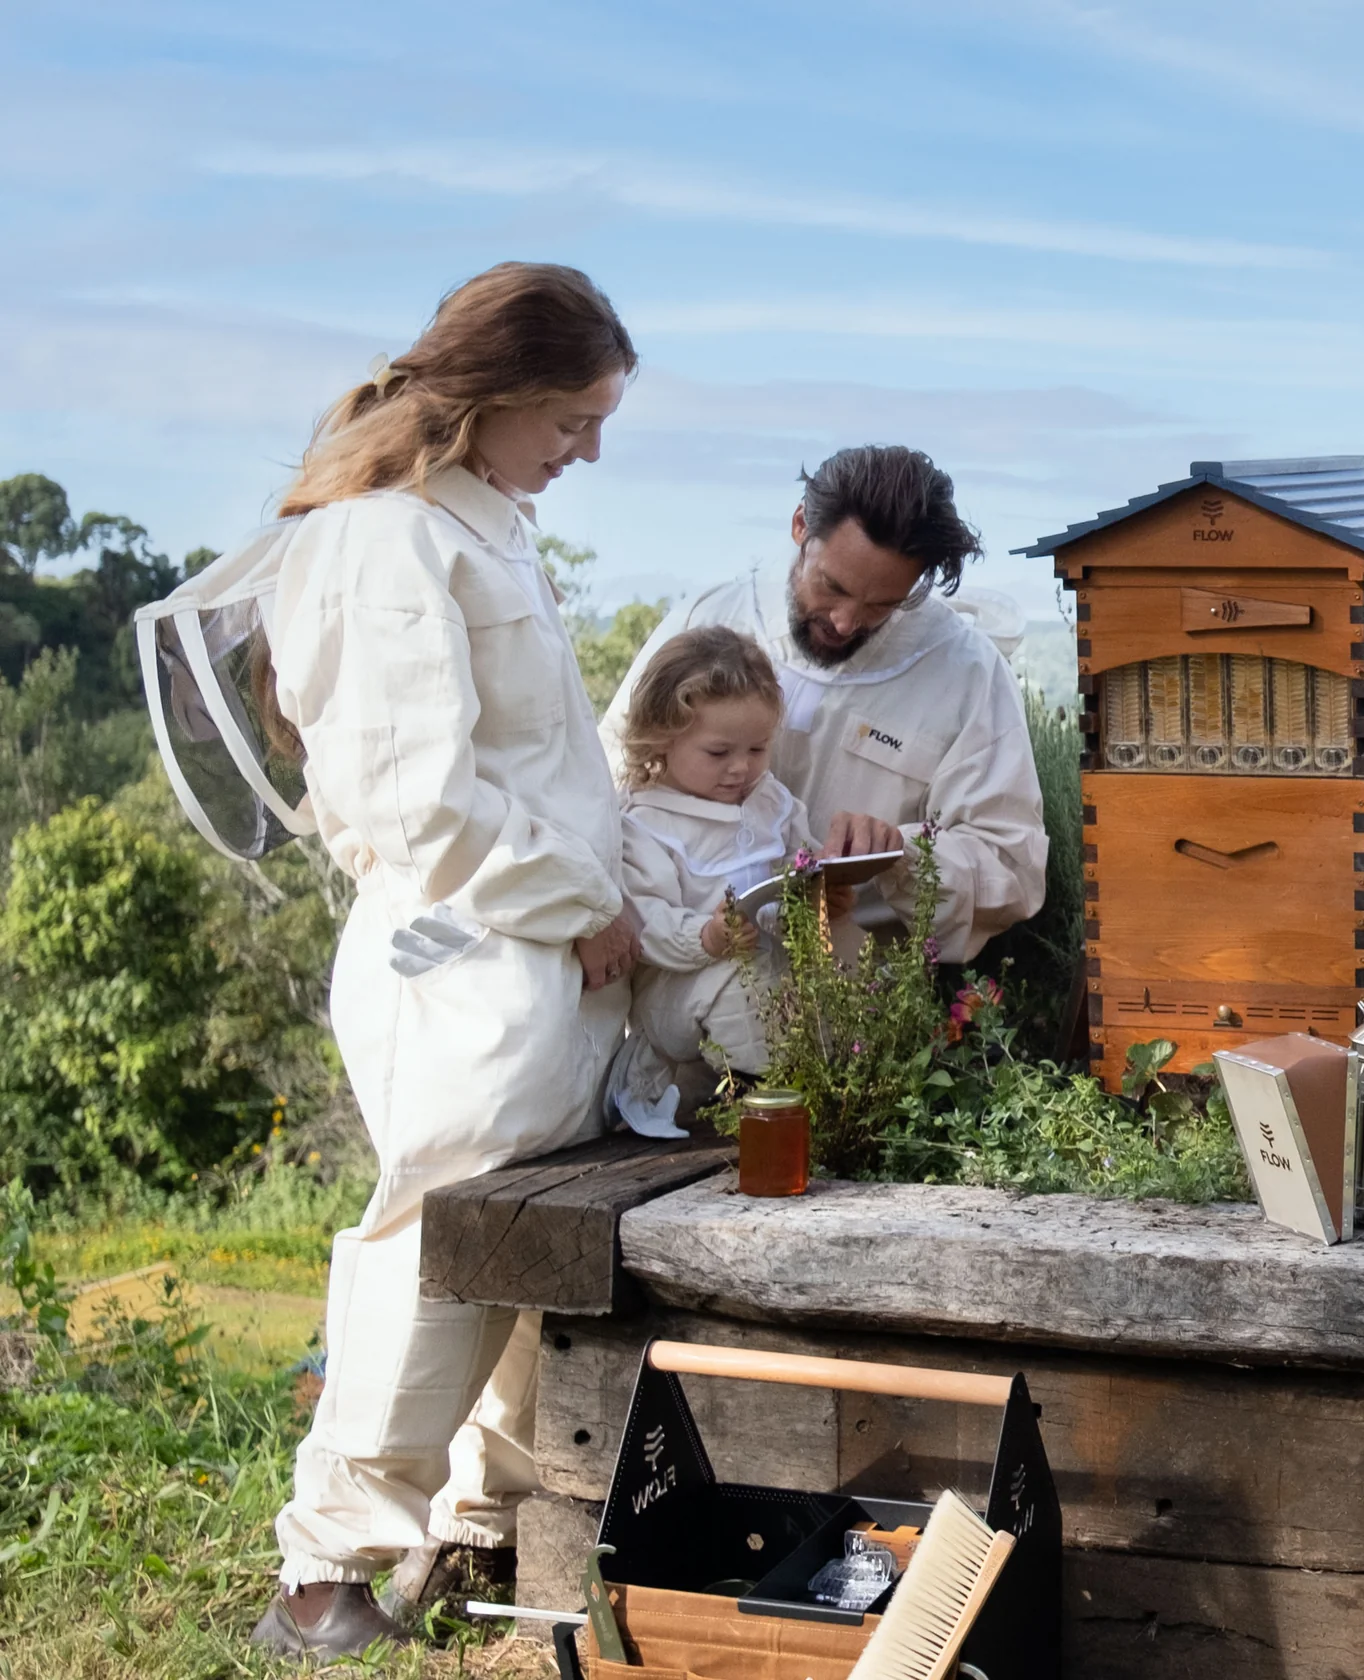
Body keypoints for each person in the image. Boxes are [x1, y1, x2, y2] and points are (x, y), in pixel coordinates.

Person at [250, 263, 640, 1660]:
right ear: (502, 391)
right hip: (464, 962)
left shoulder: (485, 519)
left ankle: (471, 1535)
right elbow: (420, 802)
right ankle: (325, 1569)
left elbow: (530, 757)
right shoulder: (384, 540)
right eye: (577, 417)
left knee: (516, 1266)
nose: (589, 448)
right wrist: (585, 904)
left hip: (533, 966)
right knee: (433, 1259)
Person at [599, 446, 1047, 965]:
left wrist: (901, 853)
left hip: (853, 1002)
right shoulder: (710, 617)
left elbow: (1011, 870)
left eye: (882, 604)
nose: (844, 622)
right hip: (676, 975)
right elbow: (607, 779)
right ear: (799, 526)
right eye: (830, 587)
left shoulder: (967, 671)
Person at [610, 625, 860, 1130]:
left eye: (757, 749)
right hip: (676, 993)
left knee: (828, 986)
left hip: (767, 978)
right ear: (662, 738)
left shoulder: (770, 801)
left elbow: (800, 858)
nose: (741, 769)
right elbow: (647, 922)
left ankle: (813, 1091)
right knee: (734, 987)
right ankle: (787, 1097)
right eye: (719, 753)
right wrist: (707, 936)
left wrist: (819, 892)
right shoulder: (645, 823)